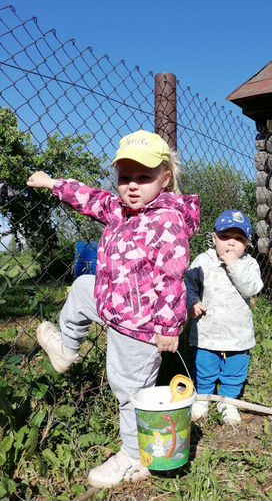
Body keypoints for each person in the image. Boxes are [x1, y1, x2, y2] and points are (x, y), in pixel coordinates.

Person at [26, 130, 200, 488]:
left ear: (165, 178)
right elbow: (90, 199)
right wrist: (53, 183)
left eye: (144, 177)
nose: (132, 186)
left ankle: (135, 458)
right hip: (113, 302)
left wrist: (169, 327)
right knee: (81, 287)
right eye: (124, 178)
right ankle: (66, 351)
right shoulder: (120, 211)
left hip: (140, 326)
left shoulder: (165, 221)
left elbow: (172, 276)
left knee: (129, 390)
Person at [185, 210, 263, 426]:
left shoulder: (249, 264)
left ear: (247, 244)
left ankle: (228, 401)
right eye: (225, 237)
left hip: (238, 333)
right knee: (204, 366)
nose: (231, 244)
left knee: (235, 369)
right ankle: (202, 399)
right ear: (214, 238)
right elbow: (189, 284)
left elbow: (251, 289)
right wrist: (192, 302)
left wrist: (233, 265)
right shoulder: (204, 260)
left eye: (238, 239)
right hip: (208, 330)